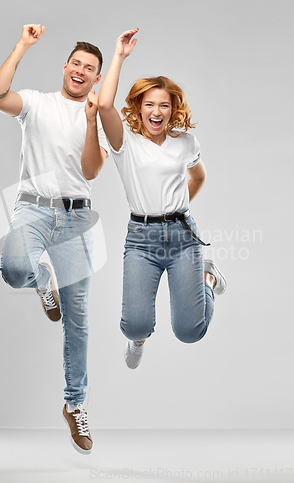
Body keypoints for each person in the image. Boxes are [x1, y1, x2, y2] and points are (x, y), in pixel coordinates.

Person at [0, 24, 108, 454]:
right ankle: (41, 279)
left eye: (89, 68)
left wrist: (93, 117)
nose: (80, 70)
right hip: (33, 207)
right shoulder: (37, 103)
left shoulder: (98, 116)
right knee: (14, 268)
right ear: (65, 67)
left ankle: (74, 405)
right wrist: (21, 45)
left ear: (97, 78)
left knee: (78, 320)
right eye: (76, 63)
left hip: (77, 219)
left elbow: (92, 171)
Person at [98, 29, 226, 370]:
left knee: (190, 332)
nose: (157, 111)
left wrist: (178, 209)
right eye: (149, 104)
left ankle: (208, 279)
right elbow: (104, 105)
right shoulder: (124, 143)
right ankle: (138, 339)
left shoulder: (185, 142)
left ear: (173, 110)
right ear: (139, 108)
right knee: (135, 324)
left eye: (164, 105)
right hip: (141, 241)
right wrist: (119, 56)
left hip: (184, 238)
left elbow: (198, 177)